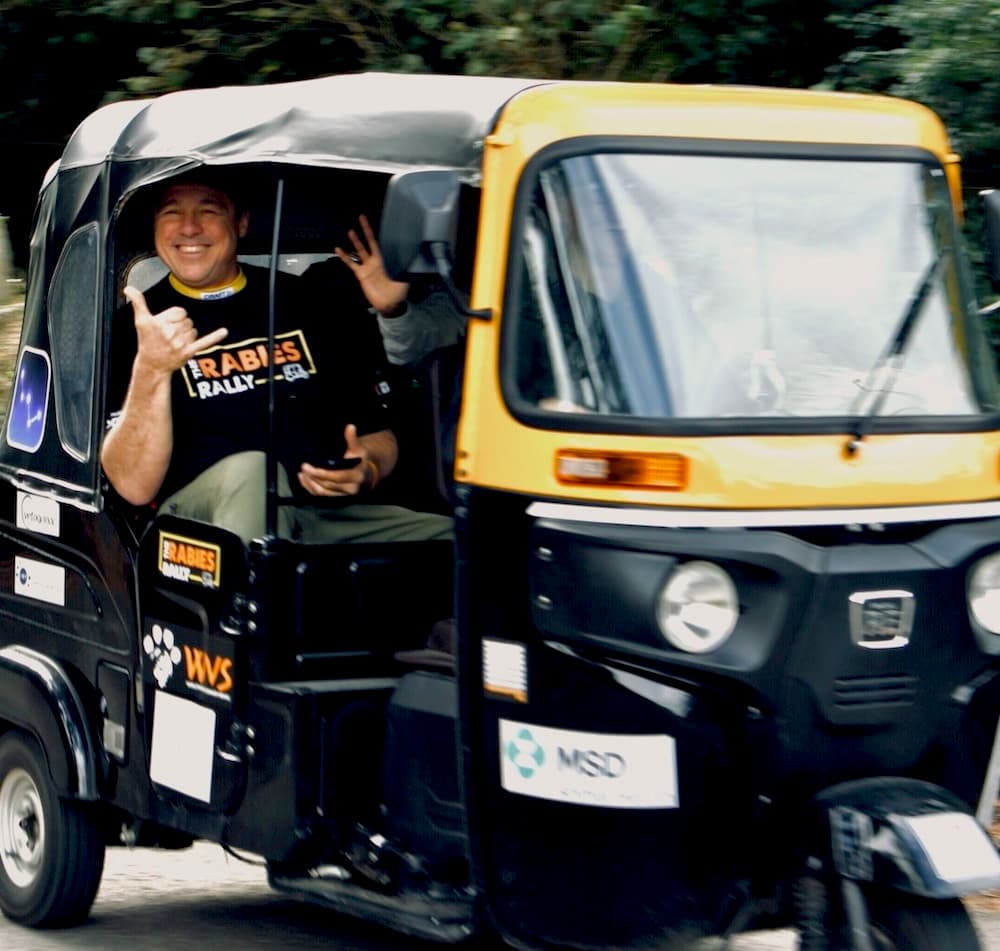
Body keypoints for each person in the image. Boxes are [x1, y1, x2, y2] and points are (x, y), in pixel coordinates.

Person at [102, 172, 454, 547]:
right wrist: (152, 369)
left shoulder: (305, 300)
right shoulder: (137, 327)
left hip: (322, 513)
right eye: (172, 212)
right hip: (199, 531)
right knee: (253, 472)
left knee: (469, 551)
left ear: (241, 222)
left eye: (209, 211)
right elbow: (133, 487)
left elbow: (377, 433)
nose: (189, 227)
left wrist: (366, 469)